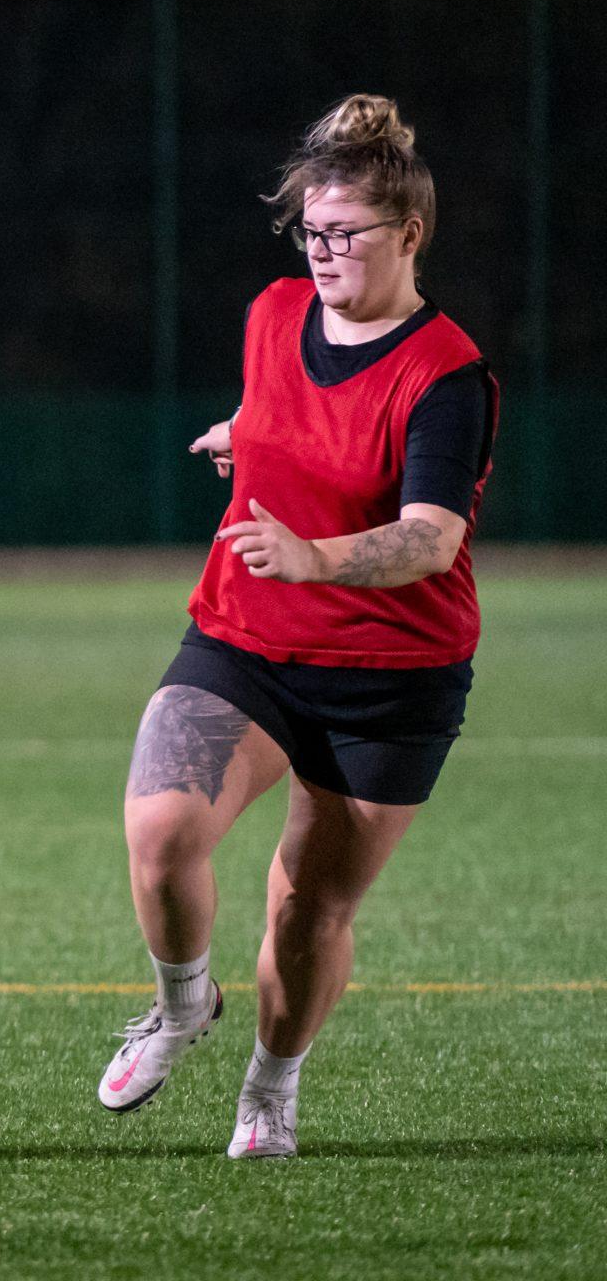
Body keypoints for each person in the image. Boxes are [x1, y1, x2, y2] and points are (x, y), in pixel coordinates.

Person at [94, 95, 497, 1159]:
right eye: (308, 233)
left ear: (409, 234)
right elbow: (291, 411)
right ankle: (182, 1005)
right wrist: (247, 436)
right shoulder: (272, 312)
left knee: (302, 913)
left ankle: (270, 1086)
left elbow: (430, 536)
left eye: (344, 236)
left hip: (390, 674)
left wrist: (319, 555)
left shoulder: (446, 373)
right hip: (246, 636)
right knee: (159, 832)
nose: (320, 254)